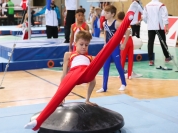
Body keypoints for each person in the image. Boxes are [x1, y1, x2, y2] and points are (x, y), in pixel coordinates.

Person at [24, 2, 138, 131]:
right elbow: (64, 75)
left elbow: (93, 79)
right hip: (73, 75)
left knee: (109, 46)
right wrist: (63, 96)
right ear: (75, 44)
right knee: (56, 98)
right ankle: (38, 122)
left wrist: (87, 99)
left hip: (87, 73)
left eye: (86, 45)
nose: (84, 47)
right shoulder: (69, 54)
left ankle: (129, 16)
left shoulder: (91, 58)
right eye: (81, 44)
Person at [96, 5, 129, 93]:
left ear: (113, 14)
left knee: (118, 66)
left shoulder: (117, 23)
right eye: (105, 12)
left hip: (115, 48)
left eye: (107, 13)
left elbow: (128, 31)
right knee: (105, 67)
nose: (105, 14)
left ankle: (123, 83)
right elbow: (106, 33)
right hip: (107, 48)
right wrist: (105, 43)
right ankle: (104, 87)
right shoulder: (104, 23)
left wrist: (124, 44)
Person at [143, 0, 171, 66]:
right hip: (159, 27)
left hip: (150, 27)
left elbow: (144, 17)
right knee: (163, 42)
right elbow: (164, 16)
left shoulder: (146, 6)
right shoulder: (161, 5)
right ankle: (167, 57)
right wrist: (166, 26)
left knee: (150, 43)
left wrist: (148, 22)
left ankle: (150, 60)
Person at [118, 11, 133, 79]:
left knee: (123, 59)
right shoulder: (129, 24)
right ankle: (129, 75)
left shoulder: (120, 24)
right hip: (131, 41)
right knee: (130, 58)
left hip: (124, 40)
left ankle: (121, 74)